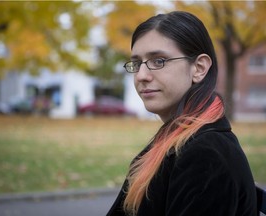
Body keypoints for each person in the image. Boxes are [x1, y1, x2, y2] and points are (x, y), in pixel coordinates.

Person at [106, 11, 257, 216]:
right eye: (137, 63)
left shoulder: (206, 155)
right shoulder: (175, 137)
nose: (141, 75)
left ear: (199, 68)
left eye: (158, 61)